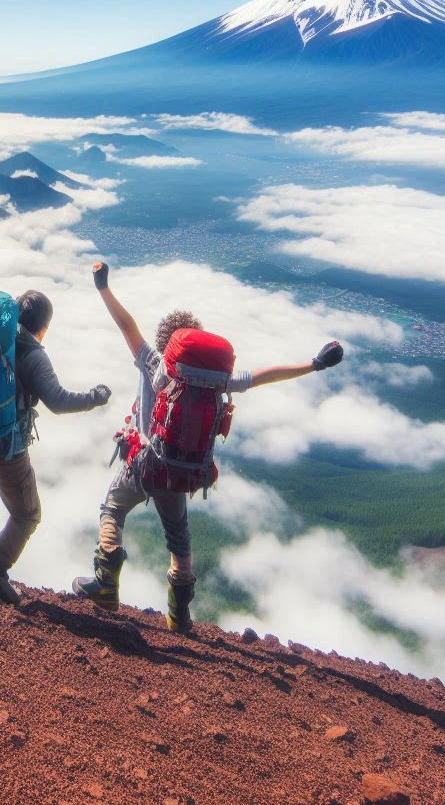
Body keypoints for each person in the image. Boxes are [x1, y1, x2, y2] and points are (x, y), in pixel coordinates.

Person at [71, 261, 342, 634]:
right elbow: (265, 375)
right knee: (179, 539)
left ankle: (105, 585)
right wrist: (313, 364)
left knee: (112, 509)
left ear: (167, 345)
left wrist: (103, 287)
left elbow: (126, 326)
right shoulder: (217, 383)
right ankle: (179, 617)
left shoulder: (156, 366)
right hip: (182, 472)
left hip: (145, 464)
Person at [0, 289, 113, 603]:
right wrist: (96, 397)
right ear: (44, 326)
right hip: (7, 440)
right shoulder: (32, 353)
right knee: (27, 514)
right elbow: (57, 401)